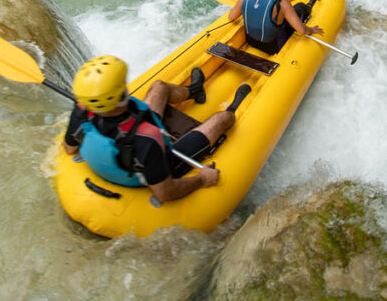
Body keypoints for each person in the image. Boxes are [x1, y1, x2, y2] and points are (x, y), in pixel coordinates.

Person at [63, 56, 249, 202]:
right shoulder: (147, 139)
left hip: (131, 139)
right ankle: (233, 109)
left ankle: (195, 90)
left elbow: (69, 147)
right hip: (160, 162)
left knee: (159, 87)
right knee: (222, 119)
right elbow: (165, 192)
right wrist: (202, 179)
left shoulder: (82, 110)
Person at [228, 0, 324, 56]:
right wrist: (311, 30)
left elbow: (231, 17)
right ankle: (310, 3)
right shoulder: (283, 3)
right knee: (300, 6)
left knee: (276, 11)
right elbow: (302, 30)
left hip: (251, 41)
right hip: (272, 47)